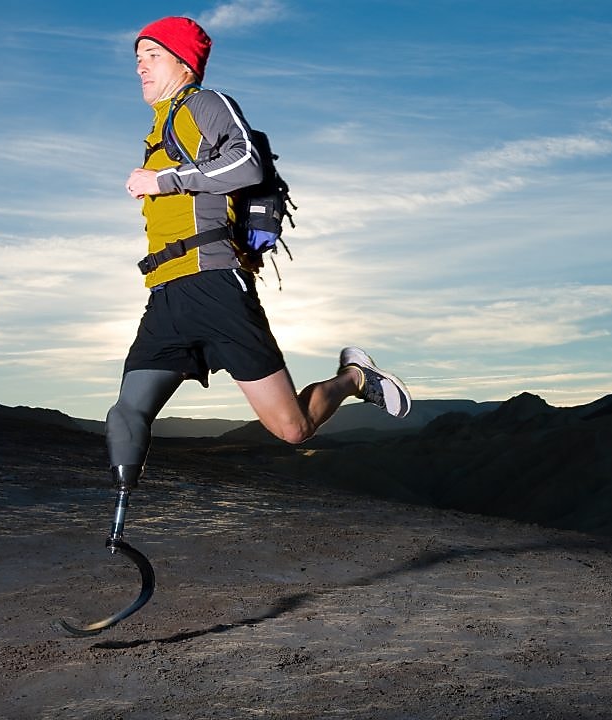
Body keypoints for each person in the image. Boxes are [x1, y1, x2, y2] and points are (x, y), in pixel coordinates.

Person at [106, 16, 411, 489]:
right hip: (165, 295)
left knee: (293, 428)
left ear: (184, 62)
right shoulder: (159, 128)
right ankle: (119, 524)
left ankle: (354, 378)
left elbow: (248, 163)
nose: (140, 67)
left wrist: (161, 180)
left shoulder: (203, 103)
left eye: (153, 55)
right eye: (138, 58)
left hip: (213, 285)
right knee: (127, 413)